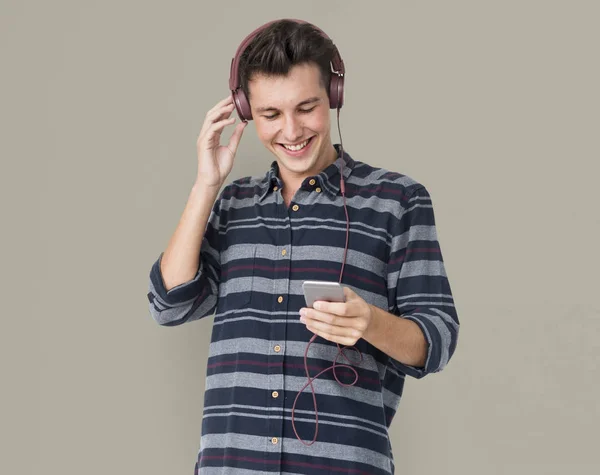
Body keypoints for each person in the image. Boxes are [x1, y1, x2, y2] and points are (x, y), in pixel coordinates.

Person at [147, 18, 459, 475]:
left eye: (307, 107)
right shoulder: (232, 204)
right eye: (271, 115)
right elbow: (169, 303)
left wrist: (370, 322)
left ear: (333, 98)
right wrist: (206, 184)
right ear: (247, 111)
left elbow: (437, 338)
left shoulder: (397, 201)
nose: (291, 131)